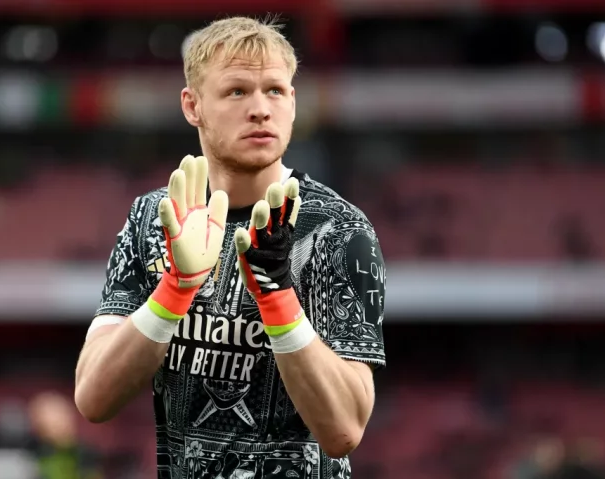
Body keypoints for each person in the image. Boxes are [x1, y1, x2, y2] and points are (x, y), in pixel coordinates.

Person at [74, 15, 387, 479]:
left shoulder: (339, 230)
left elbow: (343, 431)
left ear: (294, 104)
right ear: (192, 105)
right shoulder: (152, 219)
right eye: (237, 91)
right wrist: (175, 289)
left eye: (275, 91)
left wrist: (277, 295)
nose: (260, 108)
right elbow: (93, 398)